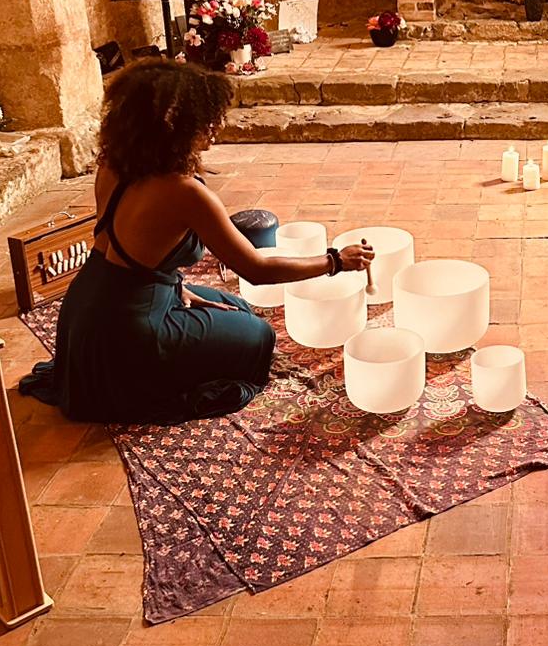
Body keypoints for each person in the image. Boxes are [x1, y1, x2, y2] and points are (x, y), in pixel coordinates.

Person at [20, 60, 373, 424]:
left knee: (237, 308)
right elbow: (257, 269)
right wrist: (335, 260)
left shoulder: (113, 164)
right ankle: (149, 371)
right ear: (175, 126)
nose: (217, 126)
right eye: (207, 119)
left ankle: (175, 323)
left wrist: (179, 291)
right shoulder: (184, 192)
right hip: (126, 333)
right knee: (259, 337)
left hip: (84, 313)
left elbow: (131, 259)